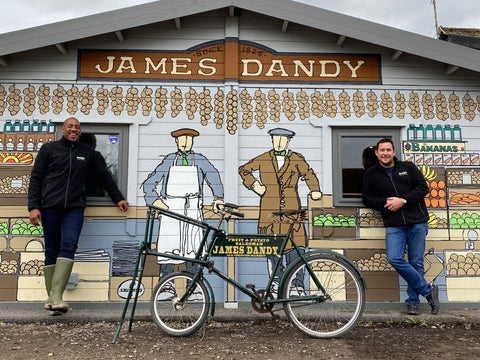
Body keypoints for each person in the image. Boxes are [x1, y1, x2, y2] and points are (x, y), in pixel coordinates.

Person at [28, 117, 128, 315]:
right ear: (63, 129)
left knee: (69, 245)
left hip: (74, 208)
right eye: (70, 127)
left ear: (80, 131)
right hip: (49, 208)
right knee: (51, 250)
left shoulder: (88, 153)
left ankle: (55, 297)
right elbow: (36, 178)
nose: (74, 130)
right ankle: (53, 300)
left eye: (77, 127)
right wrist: (33, 207)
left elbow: (104, 176)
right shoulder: (49, 149)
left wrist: (118, 198)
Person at [362, 138, 439, 315]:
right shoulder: (371, 174)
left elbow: (423, 188)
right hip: (394, 224)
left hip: (417, 222)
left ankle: (413, 302)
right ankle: (428, 291)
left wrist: (403, 200)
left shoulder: (408, 167)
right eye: (382, 150)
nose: (385, 153)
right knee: (394, 258)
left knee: (416, 262)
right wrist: (385, 202)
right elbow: (366, 198)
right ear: (376, 153)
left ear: (394, 152)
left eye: (388, 150)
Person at [238, 128, 322, 290]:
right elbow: (244, 170)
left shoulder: (296, 159)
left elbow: (309, 174)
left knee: (296, 249)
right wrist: (256, 186)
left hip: (292, 212)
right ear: (271, 140)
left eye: (282, 140)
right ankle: (276, 283)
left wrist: (315, 189)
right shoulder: (263, 158)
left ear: (288, 141)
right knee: (272, 249)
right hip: (269, 212)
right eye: (275, 139)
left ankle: (297, 285)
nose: (278, 143)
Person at [142, 128, 223, 278]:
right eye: (182, 139)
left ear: (192, 141)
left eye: (188, 139)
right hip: (171, 211)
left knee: (194, 251)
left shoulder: (200, 160)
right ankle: (166, 286)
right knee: (168, 251)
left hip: (192, 209)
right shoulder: (169, 160)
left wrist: (218, 198)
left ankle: (194, 288)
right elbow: (149, 183)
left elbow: (214, 176)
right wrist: (155, 201)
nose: (185, 143)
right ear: (176, 141)